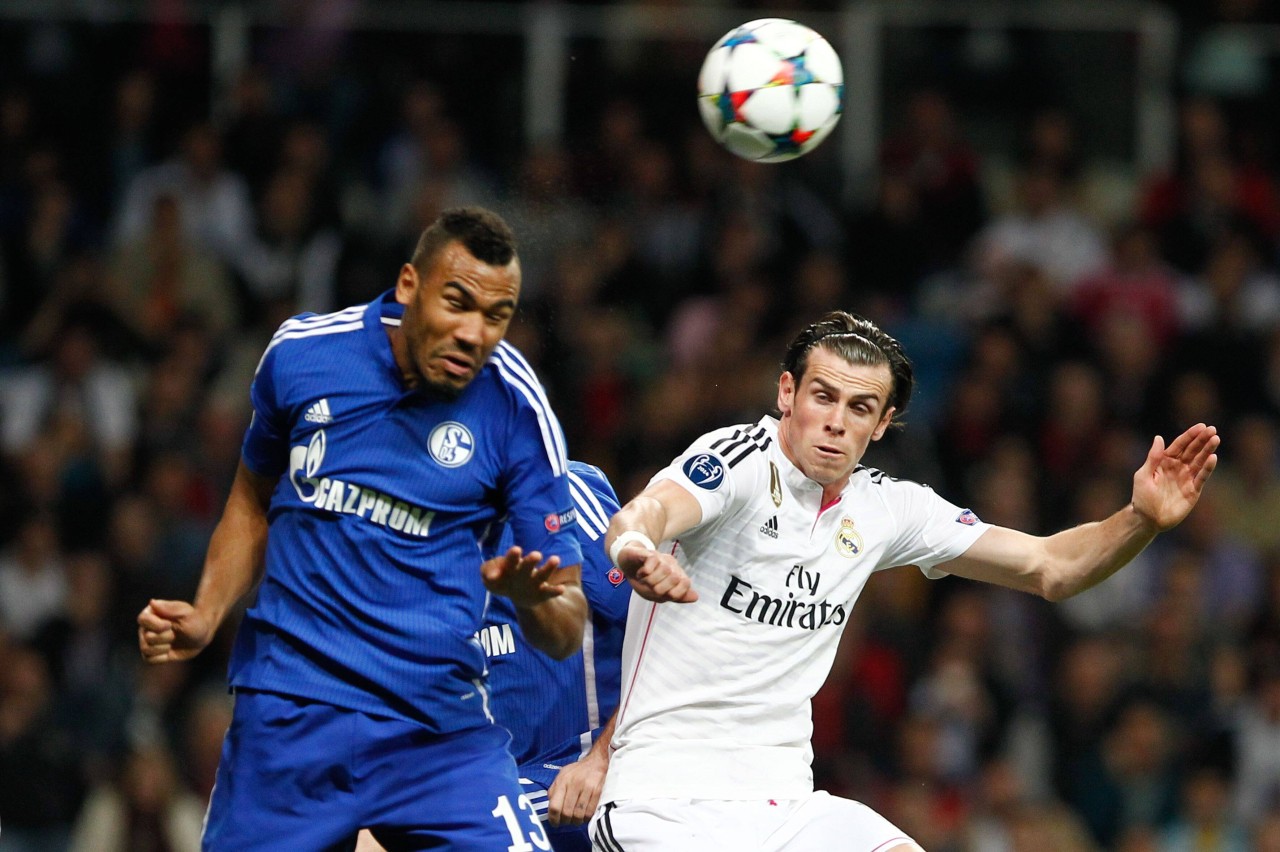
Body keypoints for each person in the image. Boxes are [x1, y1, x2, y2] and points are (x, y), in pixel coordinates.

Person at [596, 310, 1220, 852]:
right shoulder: (739, 460)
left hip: (785, 805)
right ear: (787, 393)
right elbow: (649, 510)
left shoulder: (888, 507)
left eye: (860, 407)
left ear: (883, 422)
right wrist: (634, 548)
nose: (837, 421)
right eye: (823, 396)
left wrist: (1140, 520)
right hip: (663, 802)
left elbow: (1051, 567)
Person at [137, 206, 588, 851]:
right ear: (409, 286)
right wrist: (208, 612)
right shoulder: (303, 354)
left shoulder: (515, 404)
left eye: (496, 316)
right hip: (290, 715)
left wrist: (535, 598)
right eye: (457, 302)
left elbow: (567, 626)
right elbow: (251, 496)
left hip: (438, 732)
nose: (473, 333)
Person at [484, 460, 631, 851]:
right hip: (477, 777)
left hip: (566, 781)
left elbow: (667, 629)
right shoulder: (395, 523)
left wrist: (604, 757)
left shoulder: (559, 496)